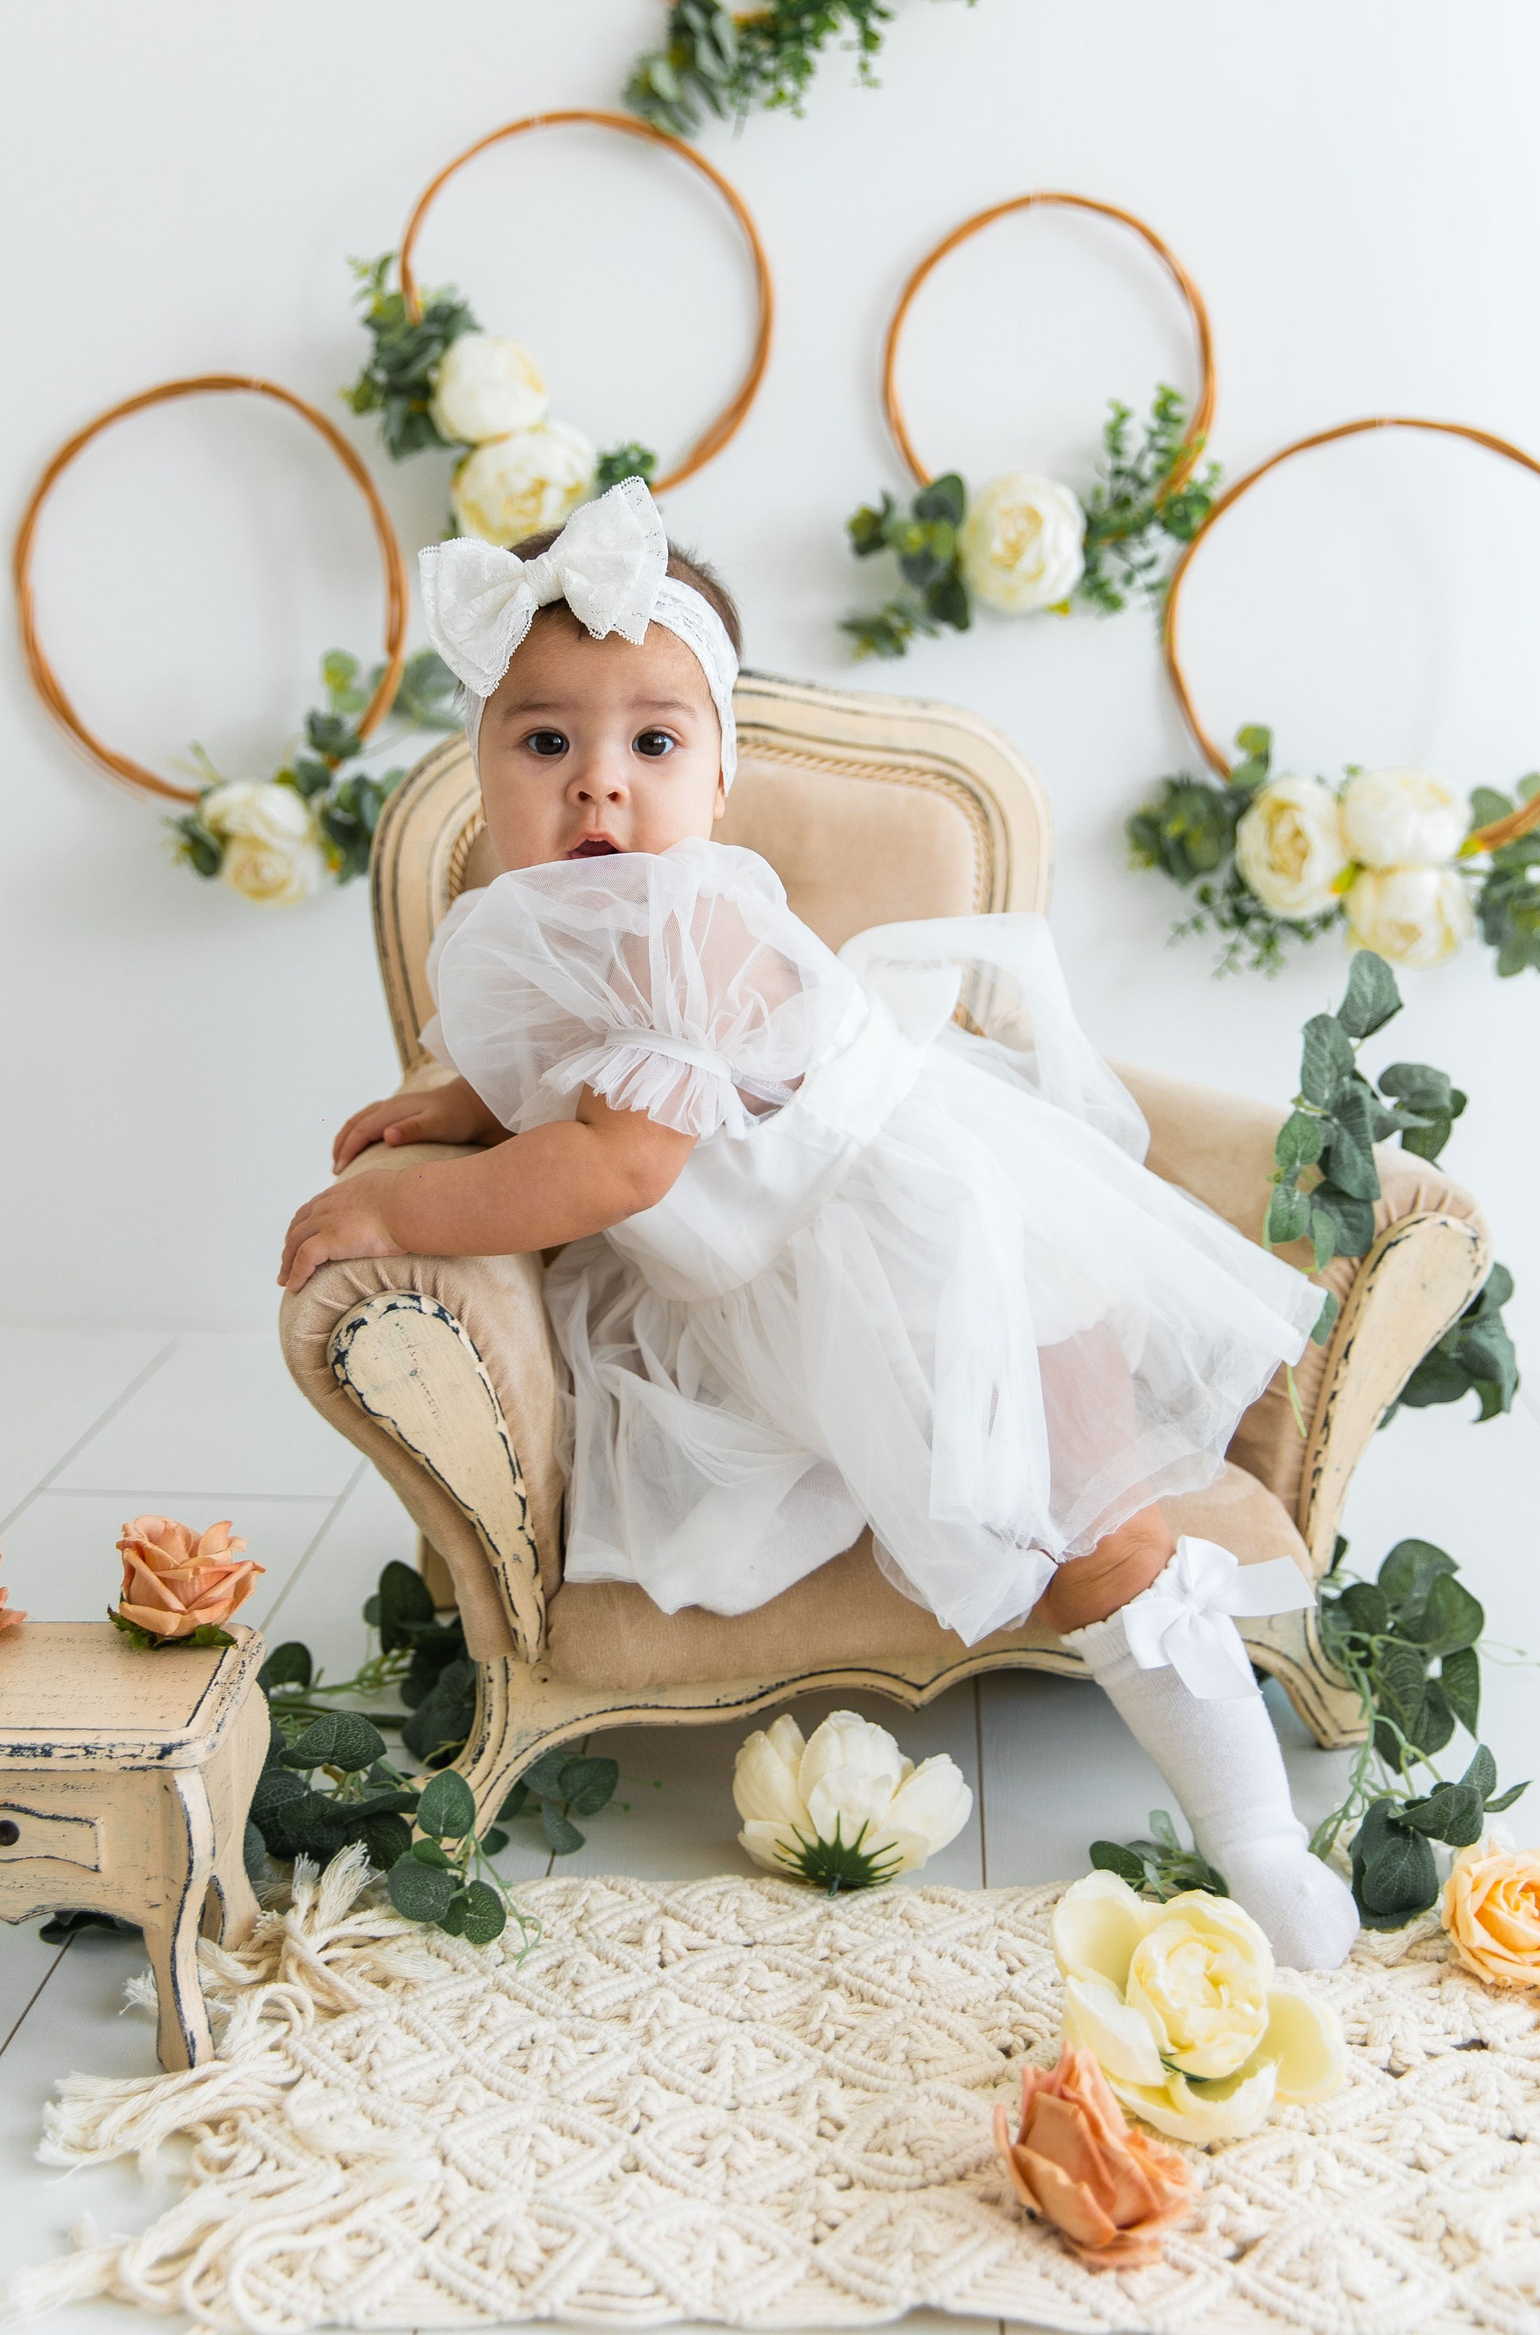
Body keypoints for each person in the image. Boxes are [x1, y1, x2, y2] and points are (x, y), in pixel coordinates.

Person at [279, 479, 1358, 1970]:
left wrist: (406, 1203)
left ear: (721, 777)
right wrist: (463, 1105)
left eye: (654, 745)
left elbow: (619, 1168)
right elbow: (568, 1066)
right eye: (546, 744)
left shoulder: (688, 920)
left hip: (941, 1253)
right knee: (989, 1501)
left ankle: (1258, 1841)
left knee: (1098, 1539)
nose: (599, 790)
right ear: (480, 768)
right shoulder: (550, 919)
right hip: (777, 1281)